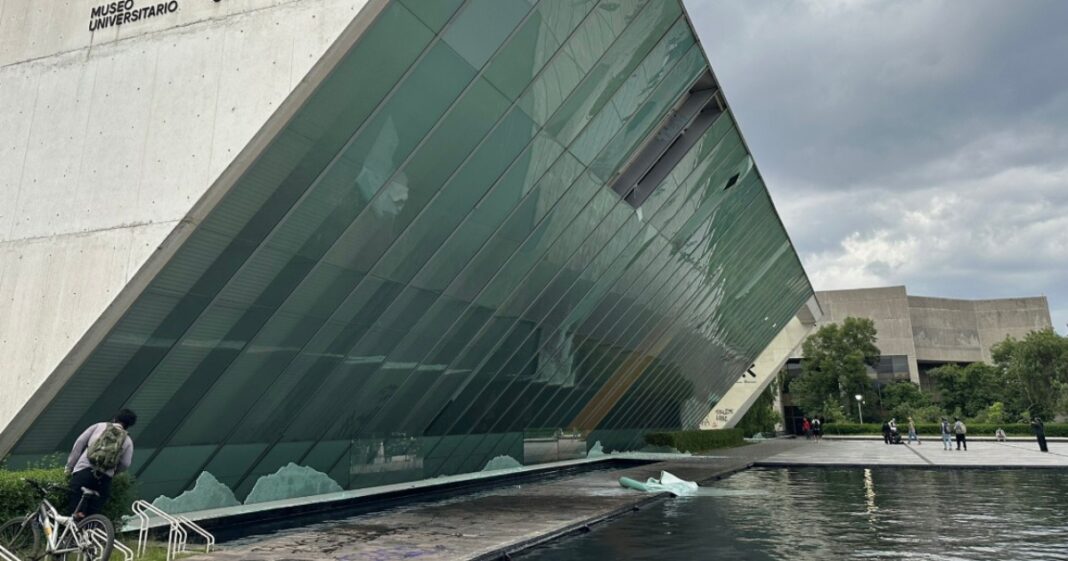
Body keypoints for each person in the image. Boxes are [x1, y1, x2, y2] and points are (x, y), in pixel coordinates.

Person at [65, 409, 136, 519]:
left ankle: (73, 531)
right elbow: (126, 463)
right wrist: (112, 472)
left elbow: (79, 444)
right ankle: (89, 532)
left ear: (115, 418)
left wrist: (69, 467)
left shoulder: (98, 426)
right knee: (93, 516)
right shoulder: (127, 440)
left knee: (74, 511)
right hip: (103, 480)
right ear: (129, 425)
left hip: (83, 472)